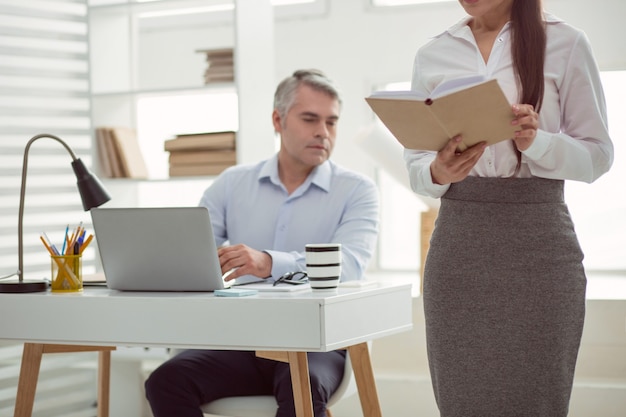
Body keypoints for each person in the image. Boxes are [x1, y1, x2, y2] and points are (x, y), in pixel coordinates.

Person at [403, 1, 613, 416]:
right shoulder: (433, 53)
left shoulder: (566, 42)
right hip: (459, 249)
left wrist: (539, 143)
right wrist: (438, 170)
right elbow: (416, 165)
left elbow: (598, 156)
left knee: (537, 400)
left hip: (540, 246)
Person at [144, 69, 379, 417]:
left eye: (332, 122)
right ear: (277, 120)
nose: (323, 132)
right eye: (310, 119)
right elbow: (191, 254)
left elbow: (351, 264)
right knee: (165, 380)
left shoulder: (357, 190)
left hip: (316, 344)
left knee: (302, 386)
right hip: (240, 341)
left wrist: (271, 262)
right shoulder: (232, 184)